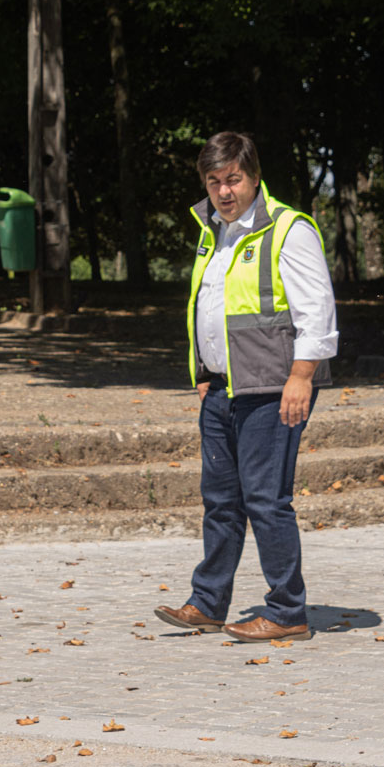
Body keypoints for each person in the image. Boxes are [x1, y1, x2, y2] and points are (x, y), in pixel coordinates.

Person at [154, 131, 337, 643]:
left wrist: (301, 377)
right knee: (220, 501)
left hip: (273, 388)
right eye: (214, 181)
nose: (223, 191)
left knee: (266, 501)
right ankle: (207, 603)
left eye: (233, 179)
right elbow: (209, 307)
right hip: (221, 389)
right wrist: (204, 372)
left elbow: (318, 313)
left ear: (254, 177)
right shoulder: (212, 232)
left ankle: (287, 611)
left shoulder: (288, 229)